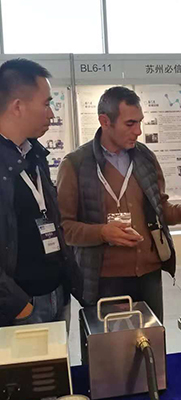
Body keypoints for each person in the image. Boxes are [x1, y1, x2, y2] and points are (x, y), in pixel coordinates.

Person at [57, 86, 181, 322]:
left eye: (140, 122)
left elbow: (160, 210)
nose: (138, 131)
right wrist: (102, 232)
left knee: (151, 339)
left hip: (149, 275)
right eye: (130, 124)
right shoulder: (76, 164)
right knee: (114, 343)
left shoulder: (145, 157)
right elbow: (64, 228)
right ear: (105, 121)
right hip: (104, 280)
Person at [0, 59, 82, 328]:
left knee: (59, 358)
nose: (51, 114)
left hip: (56, 293)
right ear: (18, 106)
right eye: (46, 104)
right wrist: (18, 306)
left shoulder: (34, 155)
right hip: (19, 308)